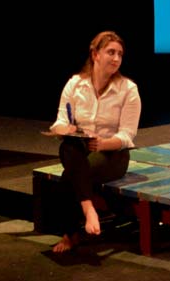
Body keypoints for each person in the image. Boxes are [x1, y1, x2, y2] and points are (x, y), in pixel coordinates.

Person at [48, 30, 141, 252]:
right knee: (68, 146)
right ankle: (88, 208)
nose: (116, 58)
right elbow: (59, 121)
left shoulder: (128, 90)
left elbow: (127, 135)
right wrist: (66, 129)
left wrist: (103, 144)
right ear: (95, 54)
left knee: (70, 176)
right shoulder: (75, 84)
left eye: (120, 54)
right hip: (80, 150)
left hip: (113, 154)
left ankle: (71, 234)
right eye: (111, 52)